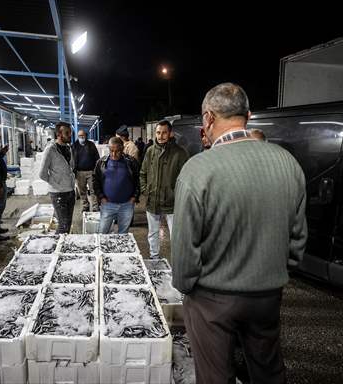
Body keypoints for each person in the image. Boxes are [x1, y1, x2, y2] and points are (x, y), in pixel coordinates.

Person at [172, 83, 307, 384]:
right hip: (268, 295)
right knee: (269, 371)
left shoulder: (198, 170)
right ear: (248, 115)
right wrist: (274, 274)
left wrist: (187, 287)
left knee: (216, 375)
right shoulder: (287, 163)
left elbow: (184, 249)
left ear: (207, 118)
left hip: (211, 298)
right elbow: (297, 241)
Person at [140, 120, 188, 259]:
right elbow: (143, 173)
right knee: (153, 233)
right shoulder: (150, 151)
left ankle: (178, 263)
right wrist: (146, 191)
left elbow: (186, 178)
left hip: (172, 203)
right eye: (158, 132)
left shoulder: (180, 153)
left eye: (164, 132)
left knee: (176, 236)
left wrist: (177, 195)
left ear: (170, 133)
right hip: (153, 201)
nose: (160, 136)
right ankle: (154, 258)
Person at [93, 136, 140, 234]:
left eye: (117, 151)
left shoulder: (131, 162)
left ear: (122, 149)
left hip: (126, 205)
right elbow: (95, 181)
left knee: (123, 234)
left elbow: (138, 181)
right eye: (111, 150)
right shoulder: (101, 163)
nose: (113, 154)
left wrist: (134, 197)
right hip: (107, 205)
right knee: (102, 233)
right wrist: (101, 197)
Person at [39, 122, 76, 234]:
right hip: (58, 194)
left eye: (70, 133)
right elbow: (42, 173)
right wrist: (57, 183)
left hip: (70, 191)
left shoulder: (68, 148)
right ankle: (57, 249)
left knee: (68, 223)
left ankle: (63, 246)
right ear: (59, 134)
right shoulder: (50, 149)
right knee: (63, 226)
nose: (70, 135)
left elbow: (71, 167)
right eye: (67, 133)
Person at [72, 129, 100, 212]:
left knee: (93, 190)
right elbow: (71, 159)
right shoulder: (74, 146)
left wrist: (96, 170)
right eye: (80, 136)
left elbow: (97, 157)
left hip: (91, 171)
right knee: (82, 191)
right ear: (78, 137)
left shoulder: (91, 145)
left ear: (86, 136)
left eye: (83, 136)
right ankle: (85, 206)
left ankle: (95, 207)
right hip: (79, 172)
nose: (82, 137)